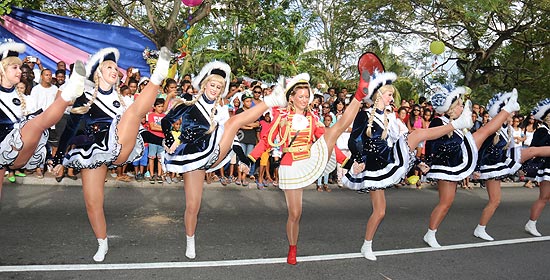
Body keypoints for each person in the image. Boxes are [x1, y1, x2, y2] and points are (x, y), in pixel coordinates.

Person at [247, 53, 387, 265]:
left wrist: (347, 163)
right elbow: (266, 141)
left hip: (311, 158)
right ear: (291, 98)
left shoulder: (313, 119)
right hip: (291, 164)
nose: (304, 100)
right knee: (295, 213)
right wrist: (249, 157)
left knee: (335, 129)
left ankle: (359, 94)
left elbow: (327, 141)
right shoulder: (282, 117)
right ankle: (292, 247)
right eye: (301, 96)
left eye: (307, 96)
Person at [342, 54, 474, 261]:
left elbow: (405, 140)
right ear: (377, 96)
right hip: (373, 165)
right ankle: (366, 246)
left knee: (417, 135)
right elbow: (355, 140)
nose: (392, 99)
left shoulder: (392, 118)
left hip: (387, 159)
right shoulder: (364, 115)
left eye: (392, 96)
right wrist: (359, 159)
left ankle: (366, 246)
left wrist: (418, 161)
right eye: (388, 95)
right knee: (380, 212)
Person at [52, 46, 171, 262]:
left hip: (119, 147)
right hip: (93, 151)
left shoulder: (123, 101)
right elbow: (70, 127)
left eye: (116, 68)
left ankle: (158, 74)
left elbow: (138, 125)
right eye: (109, 67)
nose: (115, 70)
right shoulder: (85, 97)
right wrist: (59, 158)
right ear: (98, 72)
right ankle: (102, 242)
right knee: (92, 202)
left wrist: (165, 142)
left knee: (134, 112)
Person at [160, 61, 287, 260]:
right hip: (192, 155)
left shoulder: (221, 110)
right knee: (193, 205)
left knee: (234, 122)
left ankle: (272, 100)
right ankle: (190, 240)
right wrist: (170, 139)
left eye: (219, 87)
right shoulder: (189, 101)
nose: (215, 89)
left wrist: (244, 159)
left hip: (214, 151)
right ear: (204, 84)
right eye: (212, 85)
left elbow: (232, 137)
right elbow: (166, 120)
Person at [422, 85, 520, 248]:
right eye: (460, 105)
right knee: (445, 203)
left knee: (485, 131)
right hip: (447, 164)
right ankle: (430, 233)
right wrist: (427, 162)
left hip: (456, 159)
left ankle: (430, 233)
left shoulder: (458, 124)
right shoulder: (438, 121)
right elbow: (431, 143)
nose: (461, 107)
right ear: (451, 107)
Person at [0, 42, 85, 200]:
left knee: (36, 123)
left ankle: (69, 92)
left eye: (20, 67)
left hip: (18, 152)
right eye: (15, 68)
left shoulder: (26, 99)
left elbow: (43, 121)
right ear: (2, 70)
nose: (20, 71)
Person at [471, 89, 523, 241]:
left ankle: (481, 228)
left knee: (495, 201)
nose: (513, 114)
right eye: (510, 111)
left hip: (498, 165)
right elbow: (480, 149)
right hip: (490, 167)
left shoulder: (507, 129)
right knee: (495, 201)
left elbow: (512, 149)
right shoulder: (494, 130)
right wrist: (477, 168)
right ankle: (480, 229)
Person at [523, 99, 550, 237]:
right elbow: (534, 147)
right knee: (544, 197)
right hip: (547, 167)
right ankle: (531, 223)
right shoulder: (542, 131)